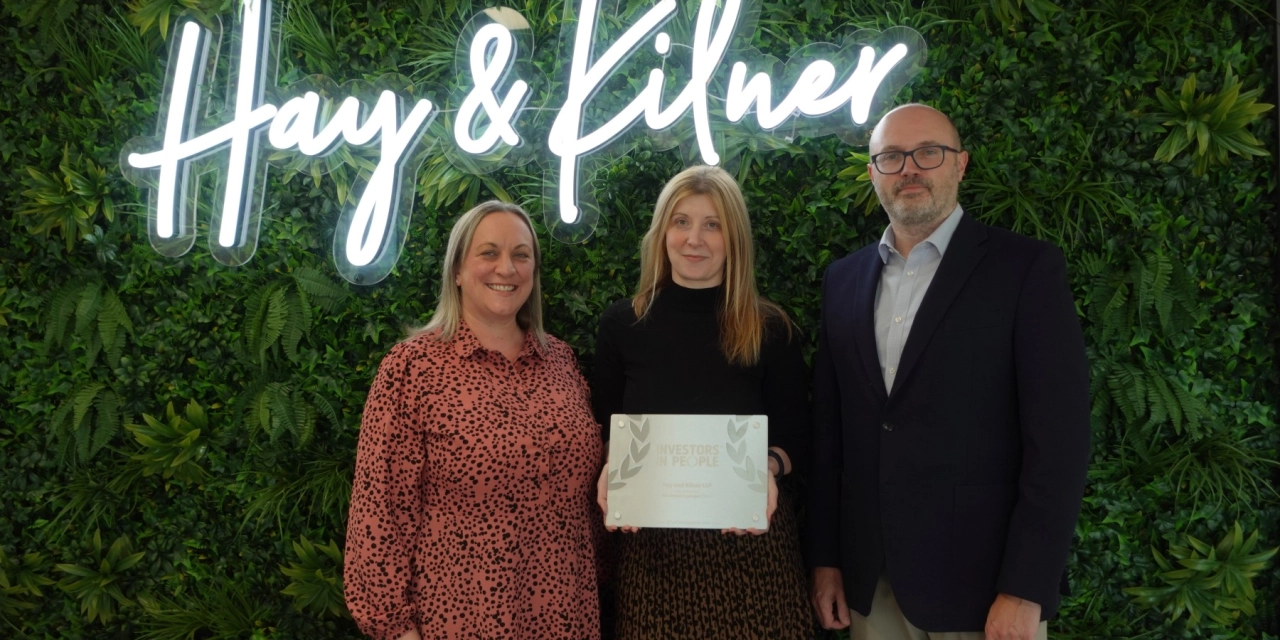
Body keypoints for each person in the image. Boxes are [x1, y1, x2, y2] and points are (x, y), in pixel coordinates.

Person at [807, 103, 1091, 640]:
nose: (909, 168)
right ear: (872, 173)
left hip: (984, 592)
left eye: (928, 153)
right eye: (891, 157)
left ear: (960, 164)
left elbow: (1060, 444)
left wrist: (1025, 588)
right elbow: (830, 438)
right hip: (872, 584)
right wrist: (827, 560)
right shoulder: (842, 281)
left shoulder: (1025, 269)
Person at [344, 201, 603, 640]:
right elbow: (379, 515)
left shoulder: (560, 361)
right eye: (489, 252)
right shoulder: (413, 368)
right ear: (458, 271)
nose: (507, 268)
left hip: (565, 616)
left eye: (521, 255)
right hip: (464, 619)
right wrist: (396, 630)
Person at [592, 164, 814, 639]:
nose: (694, 239)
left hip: (752, 551)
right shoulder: (622, 326)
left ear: (734, 239)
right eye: (682, 222)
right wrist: (613, 469)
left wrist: (767, 469)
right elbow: (606, 430)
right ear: (662, 233)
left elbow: (796, 435)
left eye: (713, 224)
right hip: (652, 556)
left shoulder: (769, 328)